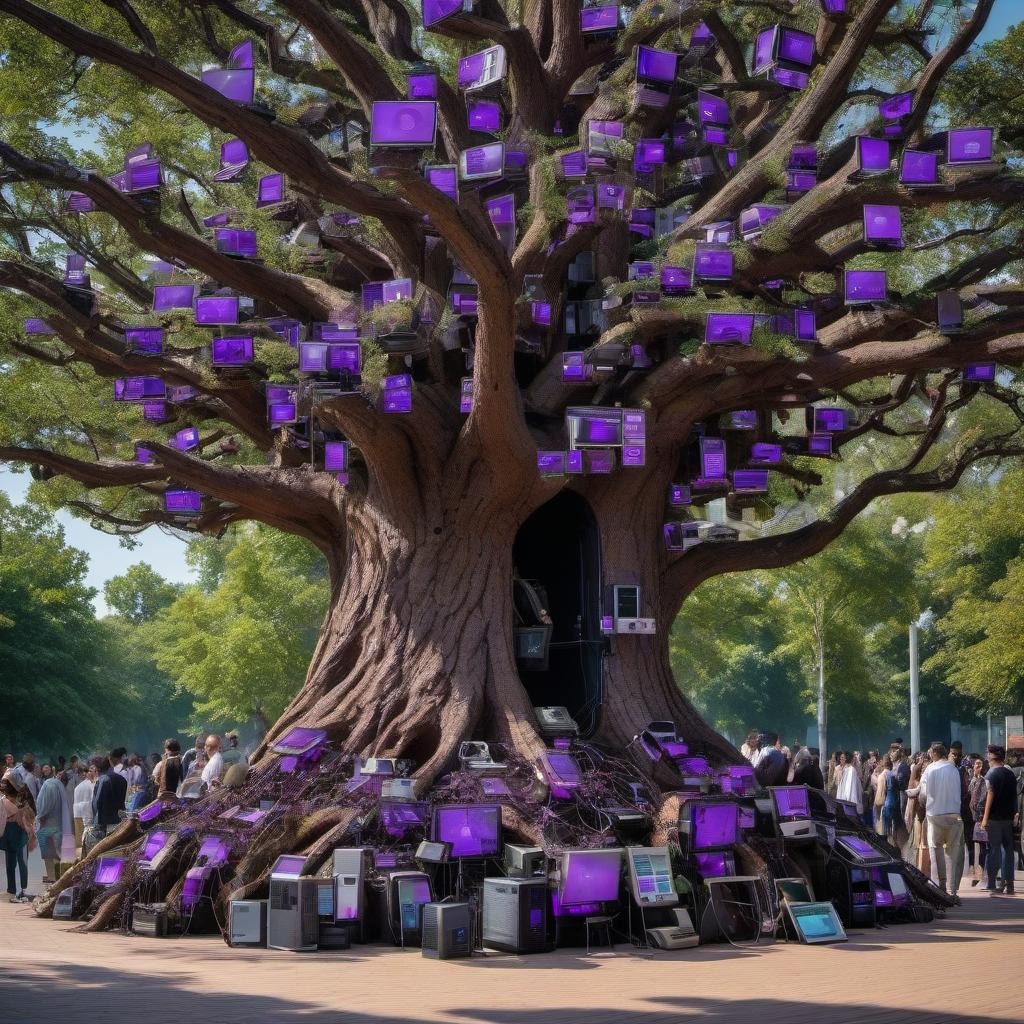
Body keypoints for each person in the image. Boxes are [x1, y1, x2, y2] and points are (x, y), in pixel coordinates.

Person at [918, 741, 965, 897]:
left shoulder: (930, 769)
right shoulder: (953, 769)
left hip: (935, 814)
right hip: (954, 814)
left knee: (936, 850)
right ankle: (953, 890)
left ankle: (940, 887)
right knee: (953, 852)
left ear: (934, 753)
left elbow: (923, 794)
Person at [980, 744, 1018, 895]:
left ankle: (993, 883)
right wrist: (1016, 814)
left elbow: (990, 795)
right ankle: (1009, 883)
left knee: (994, 850)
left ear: (992, 756)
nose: (986, 756)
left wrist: (985, 818)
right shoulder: (1010, 774)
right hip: (1008, 817)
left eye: (988, 753)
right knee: (1008, 850)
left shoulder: (991, 775)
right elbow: (1014, 796)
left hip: (994, 818)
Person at [35, 765, 73, 884]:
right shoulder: (61, 788)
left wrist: (40, 816)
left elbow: (46, 805)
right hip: (59, 824)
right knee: (57, 853)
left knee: (48, 854)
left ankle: (52, 879)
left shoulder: (49, 784)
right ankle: (57, 878)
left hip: (48, 823)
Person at [1, 774, 35, 902]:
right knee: (23, 862)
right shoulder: (20, 803)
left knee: (11, 863)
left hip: (7, 833)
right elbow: (27, 820)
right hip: (19, 833)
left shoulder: (3, 801)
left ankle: (11, 889)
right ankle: (23, 889)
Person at [91, 752, 128, 843]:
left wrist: (96, 818)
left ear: (97, 769)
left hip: (104, 822)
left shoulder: (103, 779)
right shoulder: (122, 779)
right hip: (119, 819)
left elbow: (97, 803)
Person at [968, 756, 989, 887]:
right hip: (974, 817)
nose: (978, 766)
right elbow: (970, 793)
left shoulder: (985, 781)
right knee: (979, 846)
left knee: (984, 847)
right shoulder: (974, 780)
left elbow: (982, 799)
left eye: (980, 764)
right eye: (976, 764)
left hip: (981, 817)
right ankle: (979, 873)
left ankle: (983, 875)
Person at [72, 764, 96, 854]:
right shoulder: (92, 785)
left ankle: (79, 861)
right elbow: (90, 803)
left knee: (79, 841)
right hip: (88, 814)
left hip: (77, 815)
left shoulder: (78, 787)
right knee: (87, 840)